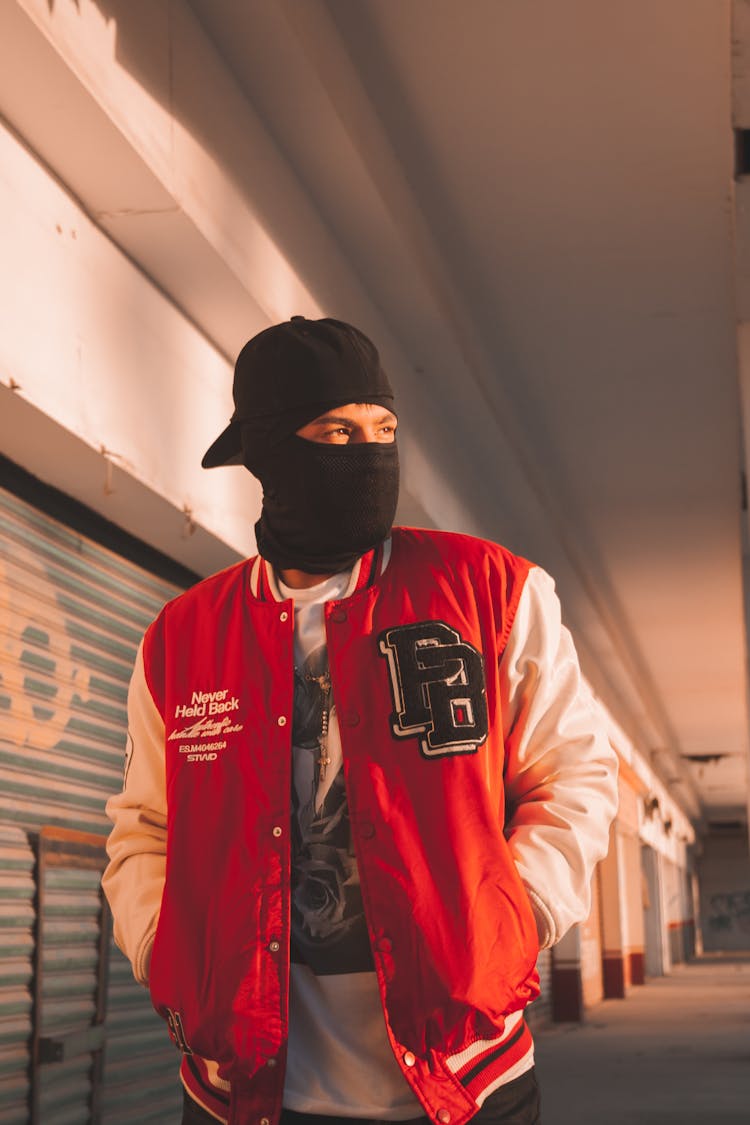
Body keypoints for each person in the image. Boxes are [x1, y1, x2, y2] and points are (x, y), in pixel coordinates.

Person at [103, 316, 618, 1125]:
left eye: (384, 430)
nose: (371, 453)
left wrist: (513, 924)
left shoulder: (492, 590)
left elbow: (575, 776)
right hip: (244, 1085)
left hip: (467, 1077)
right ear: (270, 451)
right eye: (338, 431)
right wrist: (166, 957)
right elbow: (143, 828)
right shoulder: (184, 637)